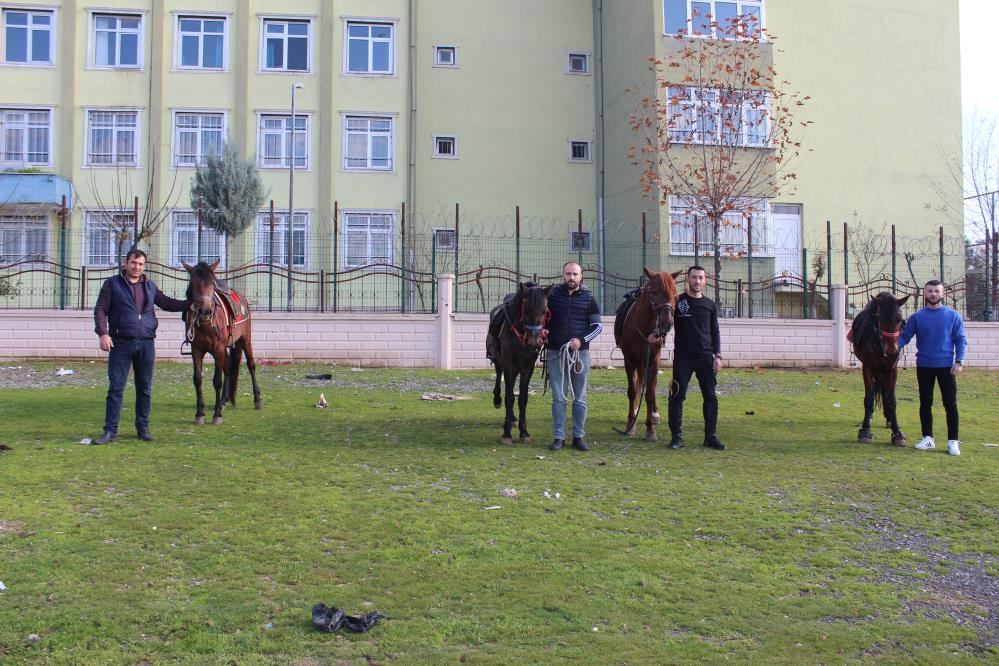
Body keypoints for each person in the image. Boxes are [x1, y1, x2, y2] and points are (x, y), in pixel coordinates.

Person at [92, 248, 189, 444]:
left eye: (141, 264)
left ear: (144, 266)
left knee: (144, 388)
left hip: (146, 343)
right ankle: (110, 431)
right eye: (134, 263)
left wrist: (191, 304)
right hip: (120, 343)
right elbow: (101, 309)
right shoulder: (112, 285)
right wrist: (103, 333)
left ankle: (142, 428)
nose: (137, 267)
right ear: (125, 264)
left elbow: (166, 303)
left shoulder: (150, 286)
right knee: (116, 388)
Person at [898, 280, 967, 456]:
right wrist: (889, 350)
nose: (933, 294)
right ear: (925, 293)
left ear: (942, 294)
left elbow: (960, 339)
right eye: (930, 291)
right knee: (925, 403)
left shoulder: (953, 316)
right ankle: (928, 438)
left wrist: (959, 361)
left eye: (936, 291)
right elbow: (904, 337)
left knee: (950, 405)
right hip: (924, 366)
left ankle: (953, 441)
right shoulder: (917, 317)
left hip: (946, 367)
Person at [544, 262, 602, 451]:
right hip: (555, 352)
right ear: (563, 275)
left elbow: (597, 327)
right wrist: (543, 331)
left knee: (580, 397)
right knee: (559, 397)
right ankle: (558, 437)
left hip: (580, 355)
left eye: (575, 274)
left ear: (581, 276)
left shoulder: (588, 298)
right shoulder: (552, 296)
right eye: (568, 274)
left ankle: (578, 437)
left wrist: (581, 340)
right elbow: (542, 318)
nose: (571, 277)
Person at [668, 265, 725, 450]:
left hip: (705, 358)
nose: (697, 281)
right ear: (687, 279)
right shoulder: (678, 302)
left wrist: (718, 356)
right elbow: (665, 322)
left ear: (705, 280)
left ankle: (710, 437)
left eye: (701, 278)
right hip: (683, 358)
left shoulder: (709, 305)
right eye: (694, 277)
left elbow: (715, 331)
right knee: (677, 395)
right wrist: (655, 334)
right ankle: (676, 438)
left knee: (710, 397)